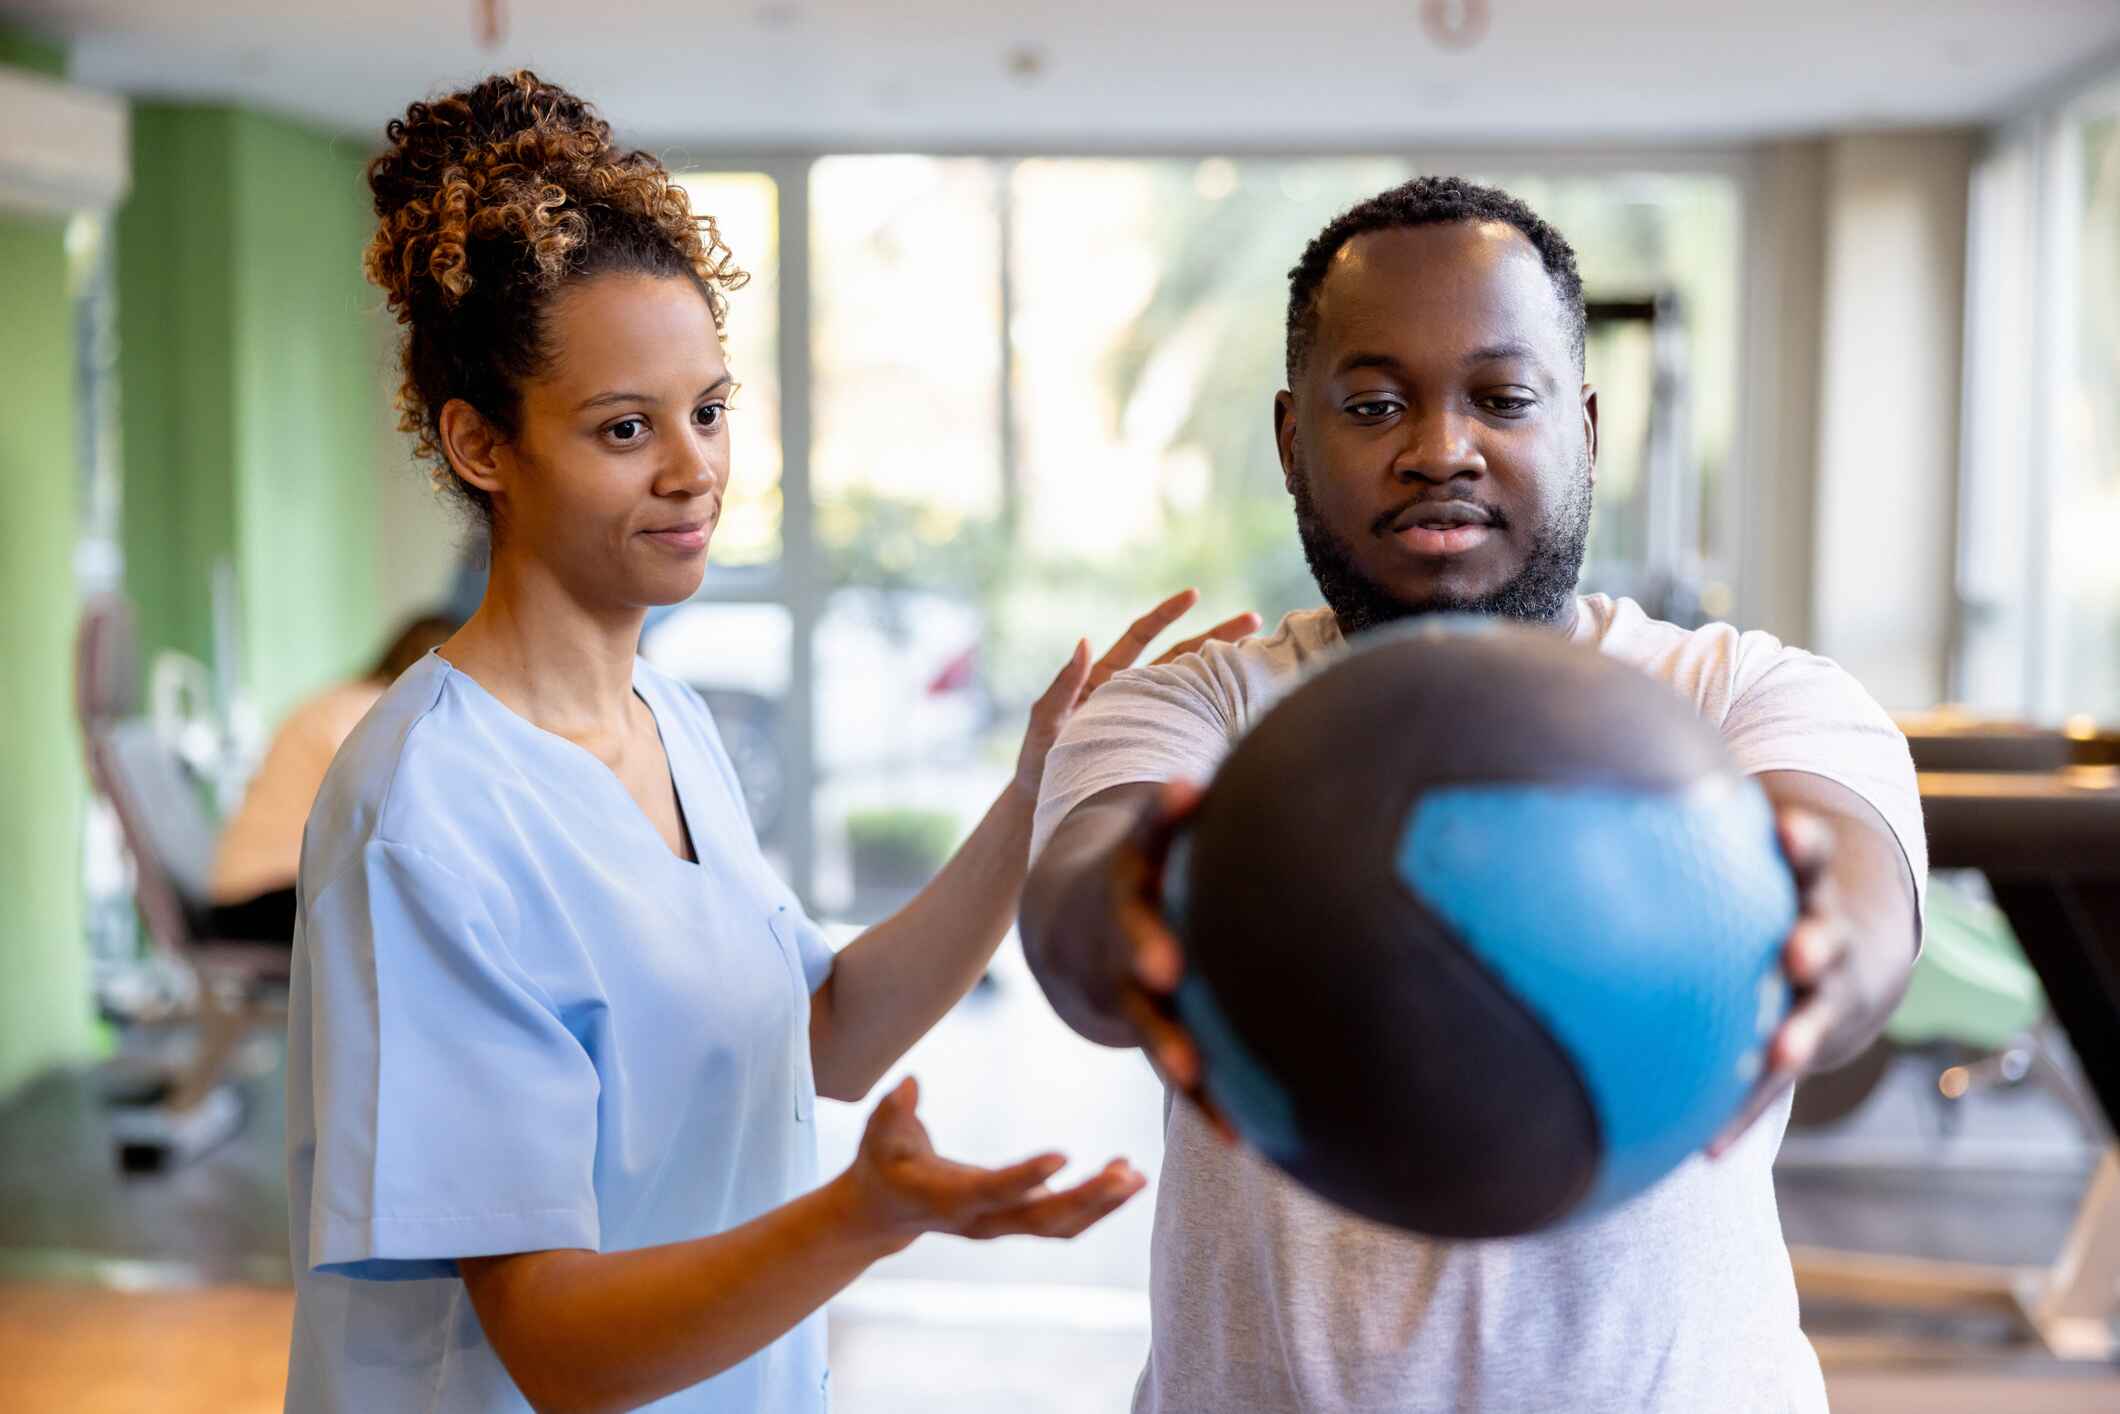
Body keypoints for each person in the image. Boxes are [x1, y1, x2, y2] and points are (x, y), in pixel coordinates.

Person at [283, 71, 1254, 1413]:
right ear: (480, 444)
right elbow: (556, 1345)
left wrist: (1040, 786)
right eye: (625, 427)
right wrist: (863, 1215)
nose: (693, 468)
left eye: (710, 408)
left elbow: (824, 1030)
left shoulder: (664, 721)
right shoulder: (428, 813)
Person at [1019, 176, 1927, 1414]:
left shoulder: (1739, 698)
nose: (1439, 449)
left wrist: (1821, 948)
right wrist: (1126, 915)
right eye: (1375, 402)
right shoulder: (1196, 712)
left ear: (1587, 426)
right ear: (1293, 438)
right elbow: (1077, 898)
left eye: (1500, 398)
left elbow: (1856, 891)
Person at [203, 612, 458, 941]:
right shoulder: (374, 713)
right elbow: (401, 810)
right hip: (262, 899)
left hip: (250, 894)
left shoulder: (344, 701)